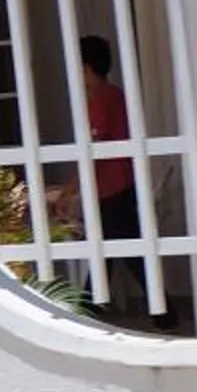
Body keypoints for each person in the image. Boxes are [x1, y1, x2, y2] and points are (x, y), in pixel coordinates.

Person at [51, 35, 152, 319]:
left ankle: (161, 311)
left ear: (85, 67)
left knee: (125, 252)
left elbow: (94, 150)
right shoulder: (114, 96)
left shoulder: (102, 99)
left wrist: (70, 191)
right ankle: (90, 306)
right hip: (116, 185)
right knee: (111, 250)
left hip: (113, 188)